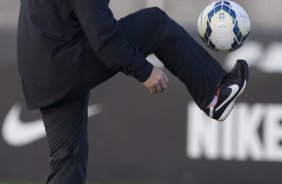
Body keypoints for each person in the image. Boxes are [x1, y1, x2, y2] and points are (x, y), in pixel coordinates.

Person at [17, 0, 249, 183]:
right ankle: (215, 94)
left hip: (42, 72)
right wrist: (143, 70)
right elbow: (103, 36)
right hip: (64, 62)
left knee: (67, 160)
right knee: (155, 23)